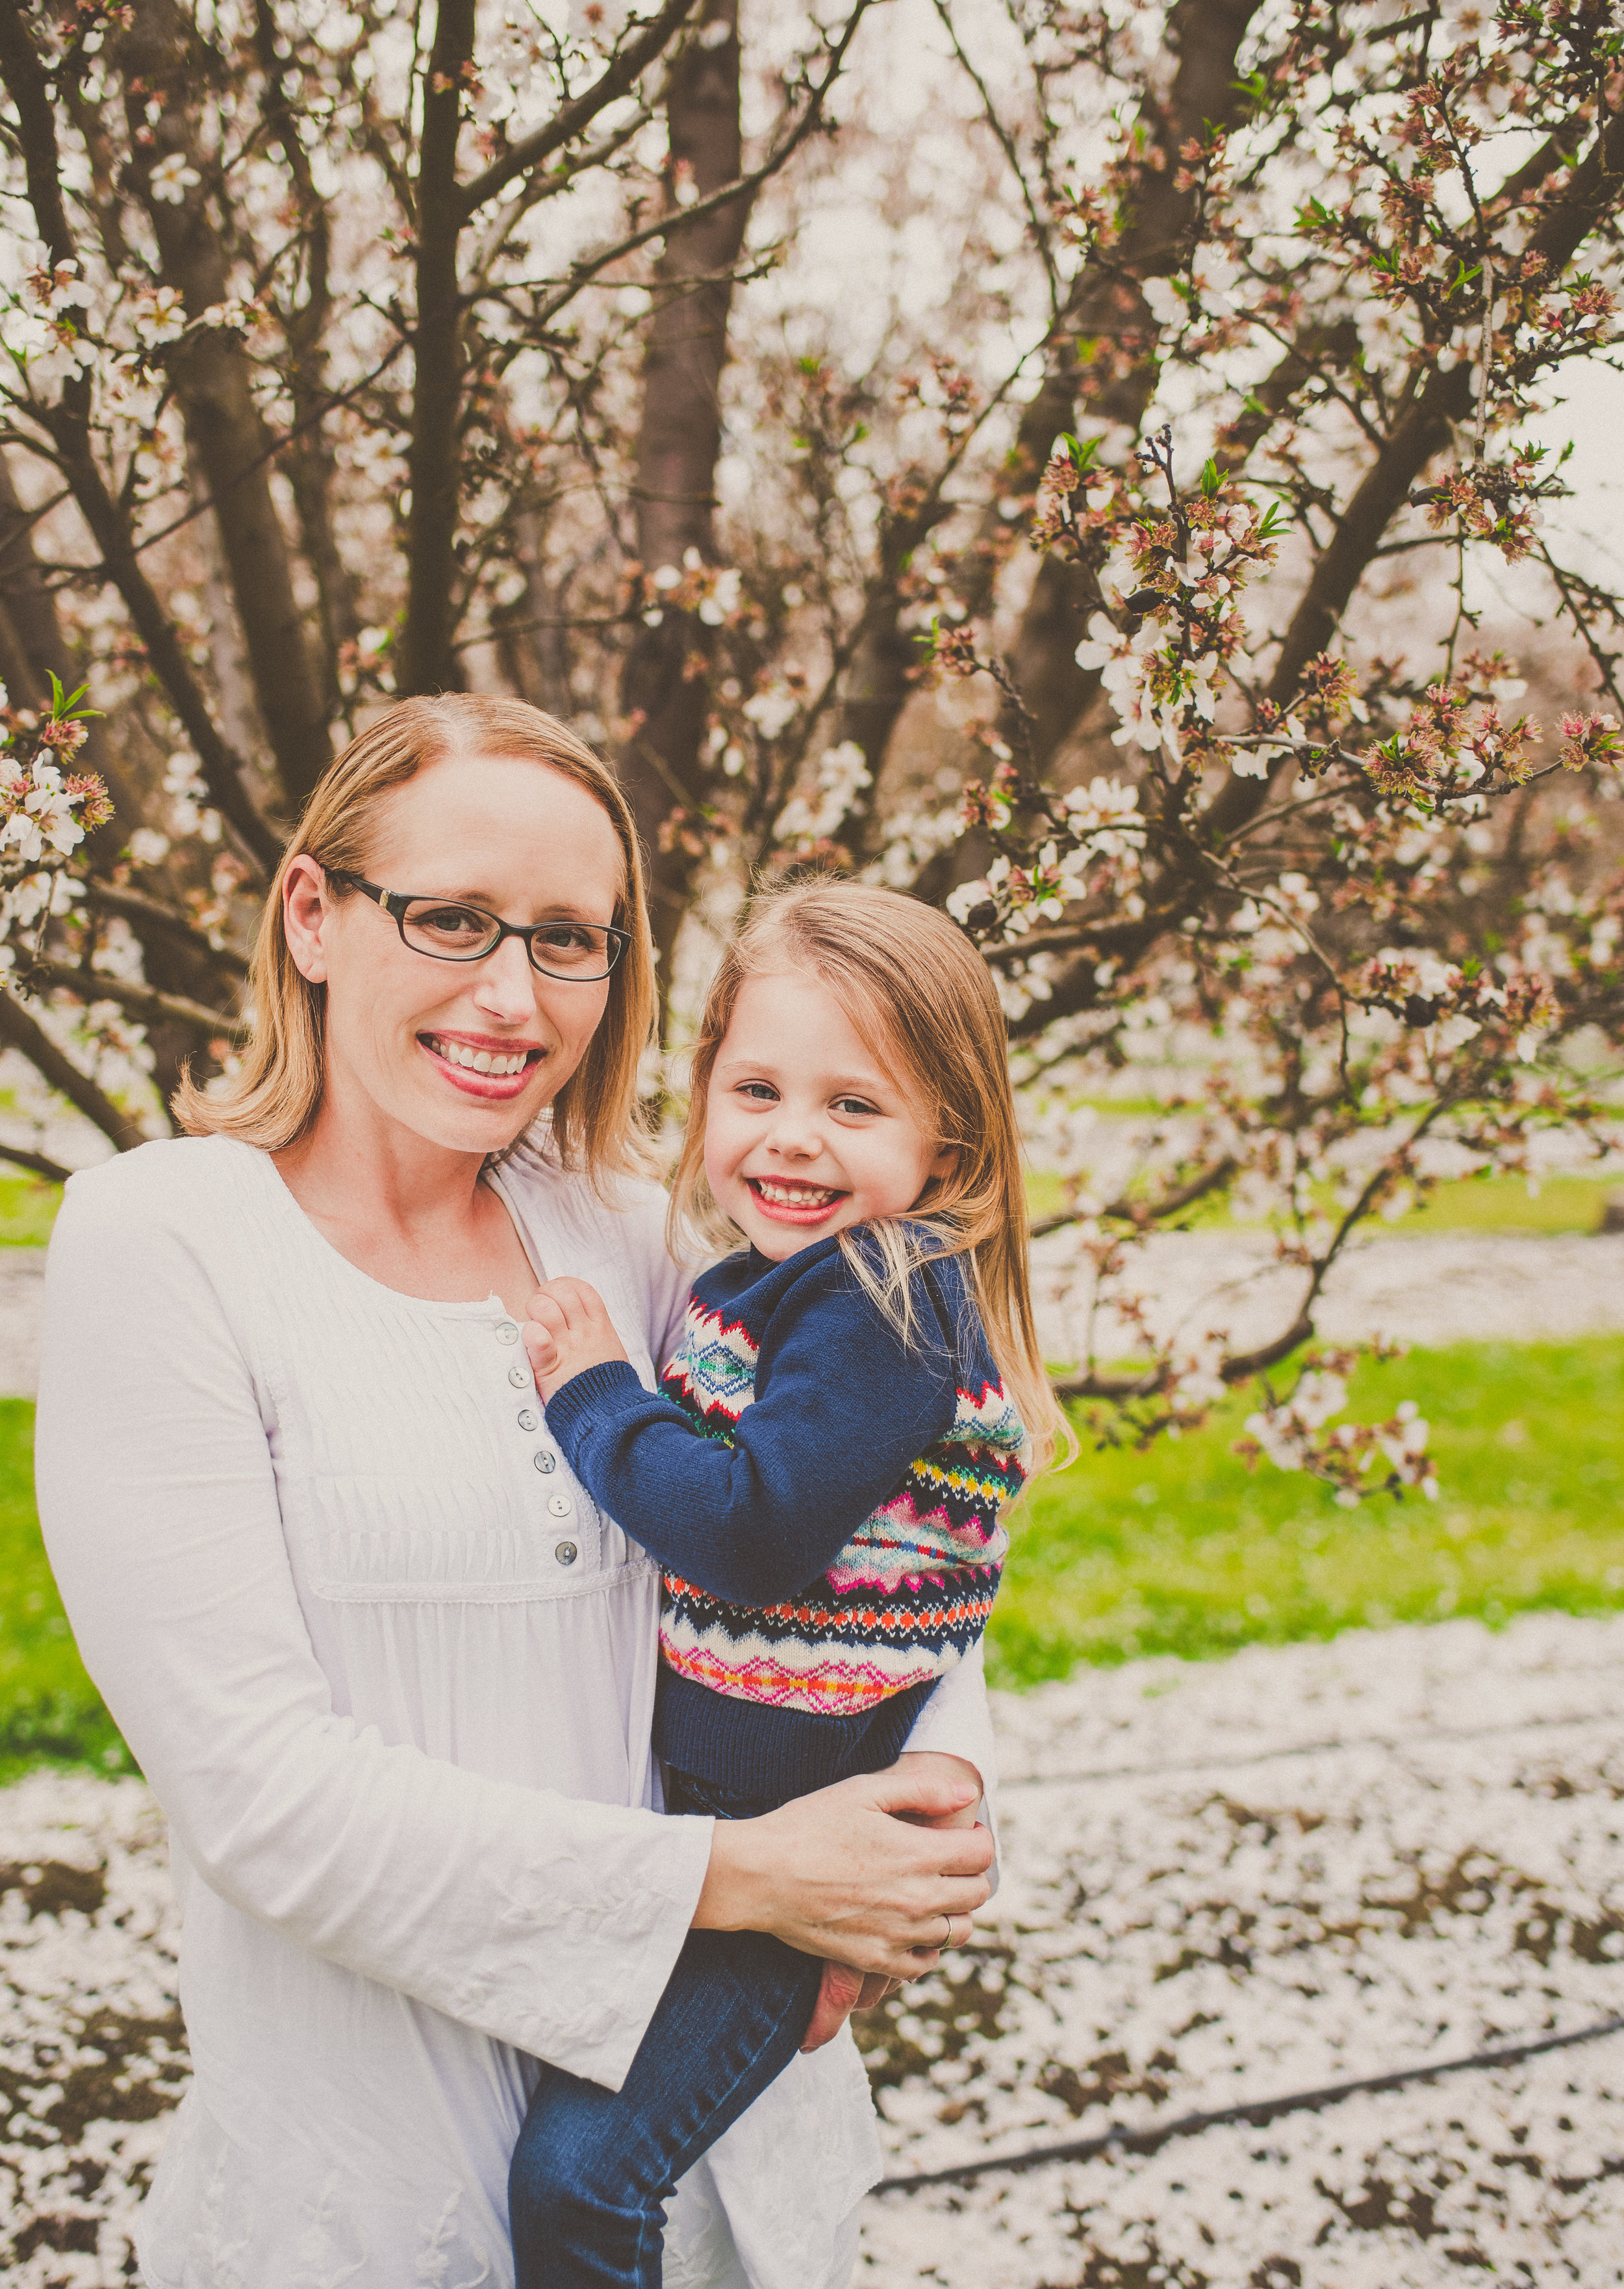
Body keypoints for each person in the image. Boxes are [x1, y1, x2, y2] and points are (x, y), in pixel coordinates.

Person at [34, 696, 997, 2289]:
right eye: (454, 918)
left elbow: (884, 1543)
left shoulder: (629, 1234)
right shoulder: (170, 1242)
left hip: (703, 2152)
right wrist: (747, 1879)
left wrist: (918, 1842)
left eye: (569, 938)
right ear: (315, 915)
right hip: (364, 2171)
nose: (511, 993)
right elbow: (262, 1795)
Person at [508, 879, 1061, 2288]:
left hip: (791, 1853)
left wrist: (593, 1399)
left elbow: (751, 1529)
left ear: (948, 1142)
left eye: (852, 1106)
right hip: (733, 1831)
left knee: (585, 2178)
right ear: (702, 1091)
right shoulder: (787, 1276)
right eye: (756, 1086)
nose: (791, 1136)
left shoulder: (882, 1296)